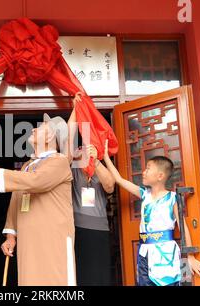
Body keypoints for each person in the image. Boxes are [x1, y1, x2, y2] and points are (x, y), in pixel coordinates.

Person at [0, 114, 76, 286]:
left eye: (40, 128)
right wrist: (11, 235)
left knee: (54, 281)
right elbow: (17, 199)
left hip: (51, 236)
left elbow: (36, 181)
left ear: (49, 136)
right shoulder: (27, 165)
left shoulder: (59, 161)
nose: (33, 129)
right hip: (28, 237)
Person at [103, 148, 200, 286]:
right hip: (144, 252)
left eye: (148, 168)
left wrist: (190, 256)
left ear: (160, 176)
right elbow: (119, 180)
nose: (143, 172)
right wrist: (105, 156)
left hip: (166, 254)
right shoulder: (144, 195)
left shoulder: (172, 198)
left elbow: (183, 227)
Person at [66, 95, 116, 285]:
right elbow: (68, 137)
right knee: (79, 276)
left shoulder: (100, 164)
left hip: (99, 228)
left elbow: (110, 185)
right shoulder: (73, 165)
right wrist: (75, 109)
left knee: (99, 275)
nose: (84, 150)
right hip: (76, 228)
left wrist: (96, 161)